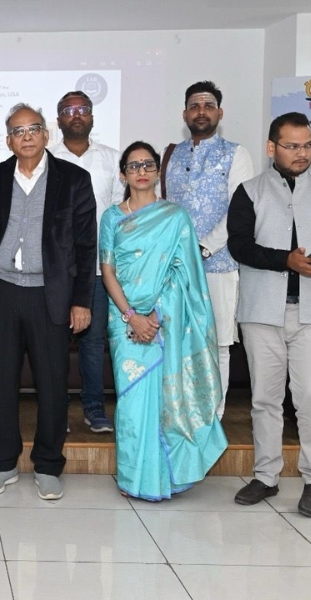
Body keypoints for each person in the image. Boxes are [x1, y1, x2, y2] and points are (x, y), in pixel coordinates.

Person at [228, 112, 311, 518]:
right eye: (292, 146)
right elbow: (239, 246)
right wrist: (285, 260)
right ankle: (266, 476)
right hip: (261, 312)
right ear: (272, 148)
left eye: (308, 145)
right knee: (265, 400)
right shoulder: (249, 192)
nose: (302, 153)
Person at [0, 103, 97, 501]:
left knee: (53, 384)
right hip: (1, 290)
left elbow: (86, 244)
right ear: (9, 140)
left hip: (50, 293)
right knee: (0, 382)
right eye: (18, 131)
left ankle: (48, 465)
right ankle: (3, 463)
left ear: (46, 134)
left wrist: (82, 301)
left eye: (33, 129)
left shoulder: (74, 178)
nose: (26, 137)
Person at [100, 141, 227, 501]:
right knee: (133, 402)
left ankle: (167, 477)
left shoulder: (175, 217)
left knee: (166, 400)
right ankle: (135, 478)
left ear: (157, 171)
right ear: (123, 174)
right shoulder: (111, 217)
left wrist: (155, 315)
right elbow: (107, 271)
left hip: (164, 321)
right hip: (123, 319)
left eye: (148, 165)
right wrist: (131, 316)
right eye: (133, 166)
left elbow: (185, 276)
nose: (141, 172)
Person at [163, 81, 255, 418]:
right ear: (184, 114)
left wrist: (202, 248)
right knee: (178, 339)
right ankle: (182, 412)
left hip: (219, 264)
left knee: (218, 343)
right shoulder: (171, 155)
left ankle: (213, 416)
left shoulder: (236, 153)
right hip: (175, 266)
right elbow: (165, 209)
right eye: (194, 106)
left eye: (208, 105)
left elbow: (239, 211)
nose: (201, 111)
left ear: (220, 112)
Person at [50, 90, 120, 434]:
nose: (76, 115)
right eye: (69, 110)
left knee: (93, 342)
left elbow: (121, 216)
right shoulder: (46, 159)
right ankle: (57, 411)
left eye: (83, 109)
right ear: (58, 119)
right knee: (54, 343)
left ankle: (94, 408)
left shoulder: (112, 159)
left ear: (92, 116)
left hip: (96, 269)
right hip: (55, 270)